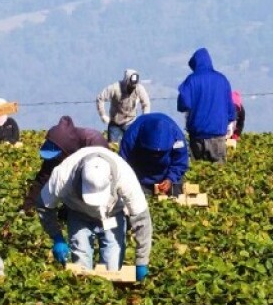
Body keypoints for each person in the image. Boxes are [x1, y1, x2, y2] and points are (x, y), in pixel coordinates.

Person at [37, 147, 152, 281]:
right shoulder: (63, 175)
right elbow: (43, 206)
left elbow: (142, 220)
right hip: (78, 213)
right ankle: (82, 294)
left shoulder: (124, 175)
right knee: (81, 266)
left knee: (112, 269)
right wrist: (57, 237)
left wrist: (141, 261)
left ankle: (109, 295)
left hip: (112, 215)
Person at [22, 115, 109, 212]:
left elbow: (98, 178)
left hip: (95, 189)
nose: (53, 158)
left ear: (64, 150)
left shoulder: (93, 141)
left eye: (56, 155)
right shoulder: (56, 146)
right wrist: (28, 205)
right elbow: (42, 179)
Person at [176, 47, 235, 163]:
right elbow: (231, 111)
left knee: (197, 174)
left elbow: (183, 104)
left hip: (197, 135)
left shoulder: (191, 80)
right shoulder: (222, 80)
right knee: (218, 175)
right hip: (218, 135)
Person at [118, 113, 189, 196]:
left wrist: (170, 179)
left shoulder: (177, 137)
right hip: (141, 174)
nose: (156, 156)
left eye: (160, 153)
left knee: (176, 192)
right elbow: (123, 164)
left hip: (166, 172)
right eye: (152, 152)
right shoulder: (131, 136)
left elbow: (180, 162)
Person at [96, 69, 151, 143]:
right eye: (130, 85)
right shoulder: (115, 88)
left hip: (131, 123)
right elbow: (100, 98)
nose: (132, 87)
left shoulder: (139, 88)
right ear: (126, 81)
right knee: (113, 147)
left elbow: (146, 103)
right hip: (115, 124)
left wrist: (145, 117)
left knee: (132, 146)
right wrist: (103, 115)